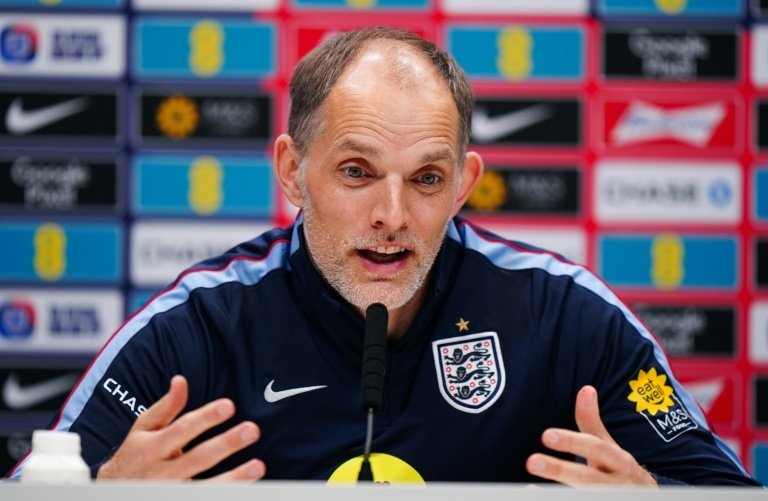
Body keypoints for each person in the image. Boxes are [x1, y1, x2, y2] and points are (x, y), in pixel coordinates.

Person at [8, 27, 761, 486]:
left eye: (426, 179)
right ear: (292, 171)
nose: (392, 218)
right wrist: (102, 492)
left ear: (463, 183)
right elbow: (37, 484)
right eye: (357, 172)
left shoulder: (564, 316)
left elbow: (720, 489)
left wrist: (653, 497)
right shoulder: (194, 330)